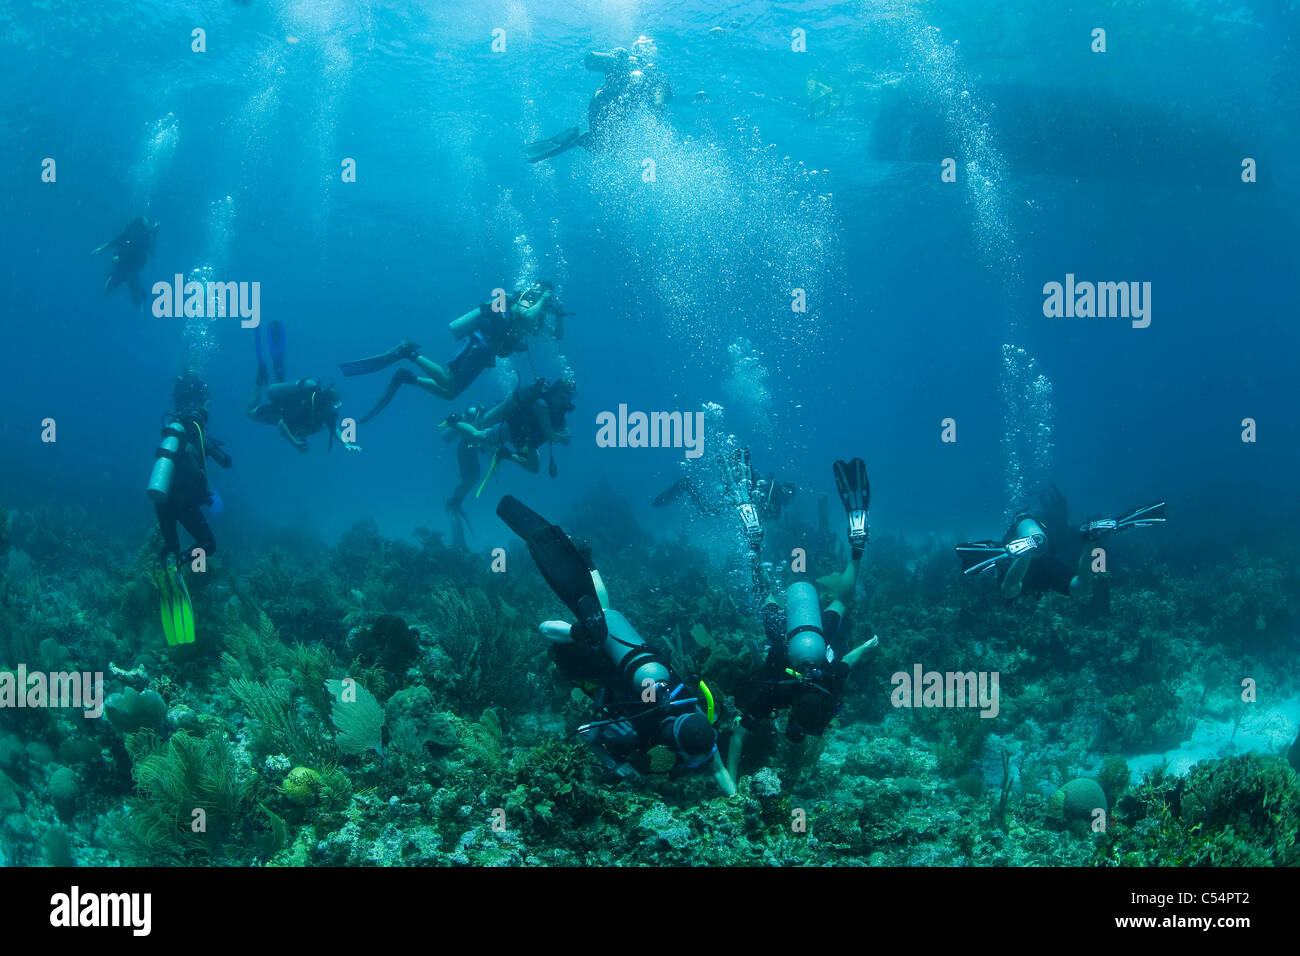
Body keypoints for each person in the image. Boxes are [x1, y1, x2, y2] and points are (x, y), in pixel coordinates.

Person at [497, 495, 737, 797]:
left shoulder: (696, 717)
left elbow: (716, 766)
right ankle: (575, 628)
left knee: (607, 613)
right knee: (586, 629)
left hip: (637, 653)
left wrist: (735, 799)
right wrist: (612, 763)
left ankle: (587, 562)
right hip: (611, 664)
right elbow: (586, 734)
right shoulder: (645, 726)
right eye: (693, 759)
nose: (696, 763)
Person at [725, 458, 879, 781]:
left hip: (816, 633)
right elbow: (739, 736)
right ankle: (753, 547)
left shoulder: (830, 687)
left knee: (842, 599)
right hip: (789, 634)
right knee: (765, 596)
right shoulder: (777, 694)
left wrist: (868, 645)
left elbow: (847, 661)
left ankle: (857, 545)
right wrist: (733, 784)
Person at [339, 282, 567, 422]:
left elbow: (556, 335)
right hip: (481, 345)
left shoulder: (537, 312)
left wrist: (559, 316)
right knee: (449, 381)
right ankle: (407, 352)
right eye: (549, 300)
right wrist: (544, 299)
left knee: (450, 394)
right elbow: (525, 316)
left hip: (485, 351)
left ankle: (407, 377)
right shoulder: (527, 300)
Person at [956, 486, 1166, 600]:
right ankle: (1090, 539)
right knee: (1081, 589)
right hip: (1045, 560)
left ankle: (1026, 548)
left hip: (1025, 543)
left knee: (1008, 590)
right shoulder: (1050, 530)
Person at [146, 370, 231, 645]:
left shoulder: (173, 433)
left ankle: (166, 561)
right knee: (208, 543)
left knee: (170, 543)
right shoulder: (198, 436)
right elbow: (225, 462)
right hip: (183, 503)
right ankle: (178, 565)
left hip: (162, 500)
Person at [442, 377, 575, 539]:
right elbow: (549, 432)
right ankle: (454, 421)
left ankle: (503, 454)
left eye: (570, 394)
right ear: (557, 390)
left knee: (534, 468)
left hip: (527, 441)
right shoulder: (543, 403)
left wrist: (563, 437)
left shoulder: (561, 412)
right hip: (512, 430)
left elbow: (567, 438)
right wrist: (562, 437)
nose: (567, 398)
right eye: (565, 393)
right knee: (479, 436)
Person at [522, 39, 674, 162]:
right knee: (598, 140)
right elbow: (657, 102)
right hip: (608, 105)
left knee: (596, 137)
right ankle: (575, 138)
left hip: (602, 100)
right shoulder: (640, 83)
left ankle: (574, 138)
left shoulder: (627, 77)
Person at [247, 321, 361, 453]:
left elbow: (333, 428)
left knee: (280, 391)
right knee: (250, 413)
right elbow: (281, 424)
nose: (336, 409)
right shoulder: (306, 410)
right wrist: (295, 443)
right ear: (327, 403)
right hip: (279, 410)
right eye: (334, 405)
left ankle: (276, 370)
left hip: (288, 405)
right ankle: (260, 377)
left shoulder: (325, 413)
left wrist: (346, 443)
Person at [92, 216, 159, 306]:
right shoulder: (124, 238)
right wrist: (99, 250)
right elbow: (110, 244)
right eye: (135, 229)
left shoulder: (144, 242)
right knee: (106, 291)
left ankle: (141, 292)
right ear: (131, 228)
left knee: (137, 302)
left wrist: (154, 236)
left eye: (140, 231)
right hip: (120, 269)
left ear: (144, 232)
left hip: (133, 273)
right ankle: (140, 290)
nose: (137, 233)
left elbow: (152, 253)